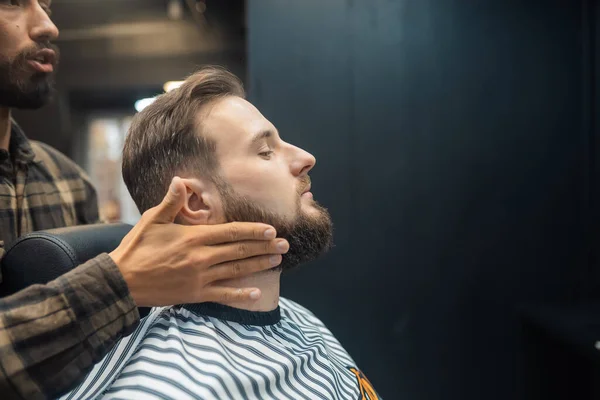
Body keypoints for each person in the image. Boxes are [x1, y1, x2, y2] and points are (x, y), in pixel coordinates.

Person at [0, 2, 289, 399]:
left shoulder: (66, 180)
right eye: (11, 2)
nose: (48, 25)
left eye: (47, 4)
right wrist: (118, 285)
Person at [60, 66, 381, 400]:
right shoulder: (170, 388)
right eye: (265, 151)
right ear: (196, 203)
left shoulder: (302, 321)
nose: (305, 158)